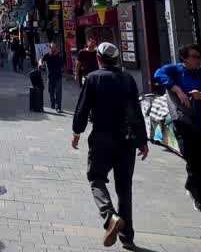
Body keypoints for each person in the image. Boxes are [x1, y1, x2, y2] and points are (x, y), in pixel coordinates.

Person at [72, 42, 147, 250]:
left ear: (98, 58)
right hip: (127, 139)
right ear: (116, 59)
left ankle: (109, 216)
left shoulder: (94, 78)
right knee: (124, 188)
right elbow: (136, 109)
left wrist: (77, 132)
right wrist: (142, 140)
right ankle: (128, 237)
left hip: (102, 137)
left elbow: (82, 107)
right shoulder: (128, 79)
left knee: (96, 178)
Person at [154, 44, 201, 229]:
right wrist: (176, 89)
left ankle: (190, 186)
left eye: (199, 56)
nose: (198, 59)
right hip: (185, 125)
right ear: (184, 58)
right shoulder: (175, 71)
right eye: (194, 56)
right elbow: (159, 74)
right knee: (196, 165)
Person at [40, 43, 67, 112]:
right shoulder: (47, 55)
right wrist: (40, 64)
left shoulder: (60, 56)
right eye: (51, 48)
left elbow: (63, 65)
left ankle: (58, 106)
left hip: (58, 77)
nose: (52, 49)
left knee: (58, 92)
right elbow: (41, 60)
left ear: (56, 48)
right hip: (50, 77)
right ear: (50, 48)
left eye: (54, 48)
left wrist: (64, 70)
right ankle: (52, 101)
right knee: (50, 91)